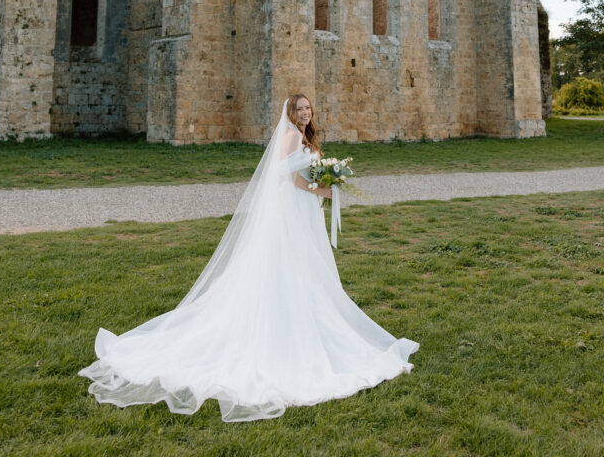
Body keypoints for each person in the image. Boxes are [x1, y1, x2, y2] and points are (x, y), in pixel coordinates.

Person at [78, 94, 419, 422]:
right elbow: (286, 176)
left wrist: (325, 181)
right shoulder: (288, 137)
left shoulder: (304, 136)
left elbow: (306, 171)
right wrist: (321, 190)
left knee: (309, 268)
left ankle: (307, 314)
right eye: (299, 108)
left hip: (304, 211)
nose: (305, 112)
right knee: (290, 264)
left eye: (308, 107)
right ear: (290, 111)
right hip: (292, 210)